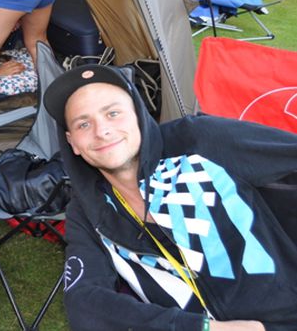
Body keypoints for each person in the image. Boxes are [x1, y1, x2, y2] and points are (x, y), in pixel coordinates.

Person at [43, 64, 297, 331]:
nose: (101, 131)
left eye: (113, 113)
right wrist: (205, 328)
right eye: (84, 124)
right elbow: (85, 304)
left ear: (138, 114)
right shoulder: (88, 209)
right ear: (72, 142)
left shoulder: (198, 140)